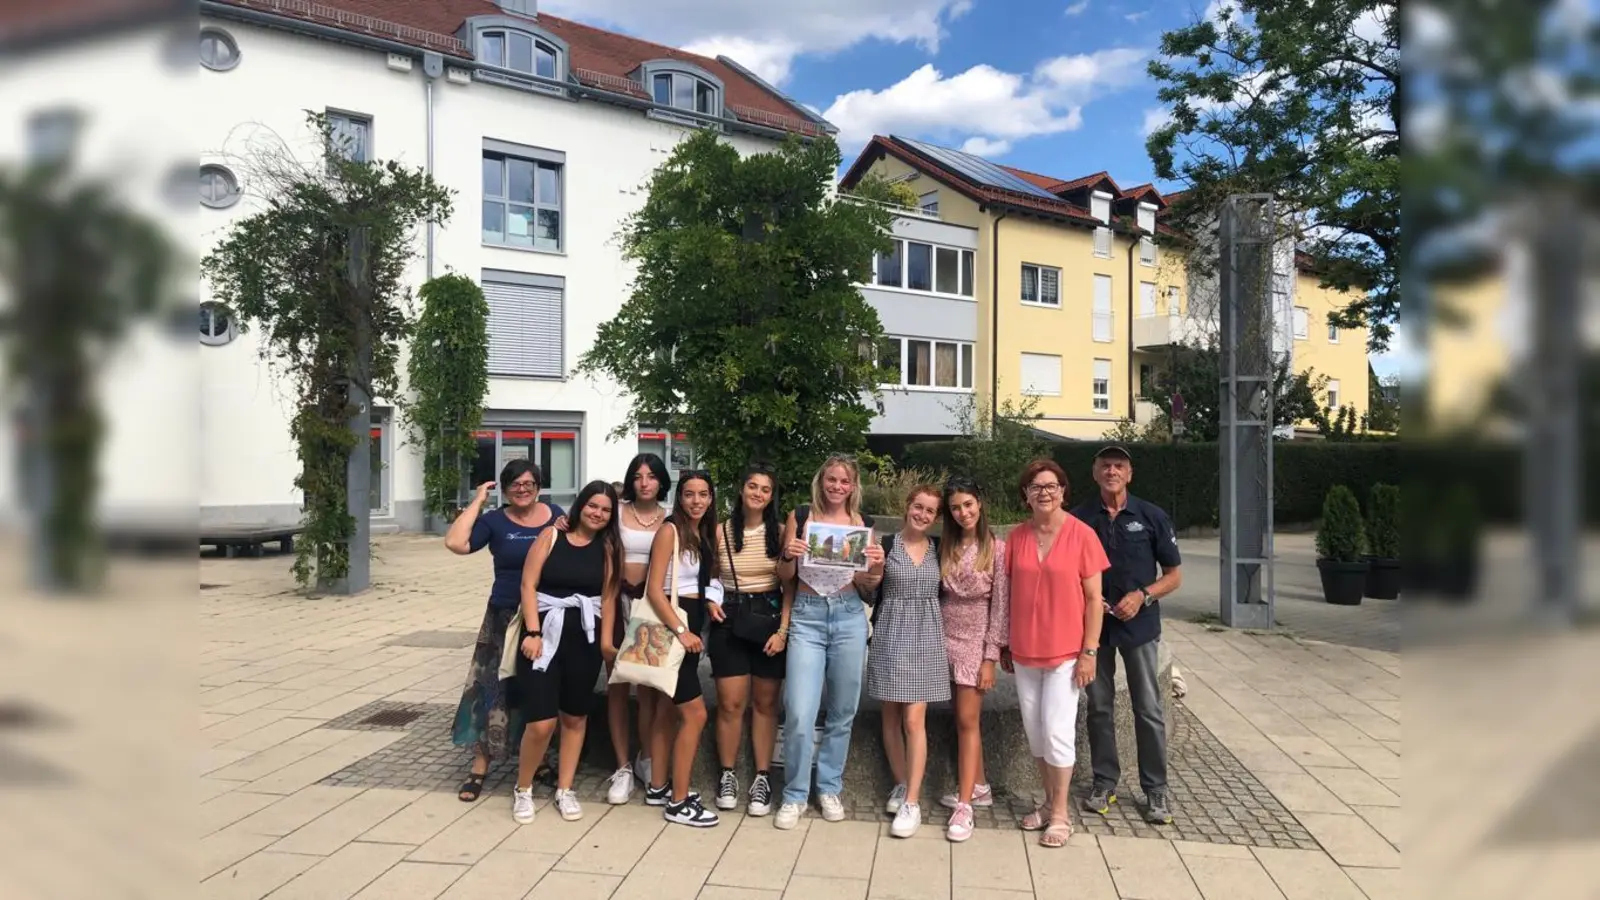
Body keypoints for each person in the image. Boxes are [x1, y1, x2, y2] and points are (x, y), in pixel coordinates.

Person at [1070, 446, 1184, 826]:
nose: (1112, 471)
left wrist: (1143, 595)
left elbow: (1174, 575)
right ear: (1095, 472)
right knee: (1099, 706)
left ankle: (1156, 789)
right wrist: (1089, 598)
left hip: (1140, 627)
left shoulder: (1151, 516)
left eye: (1119, 465)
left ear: (1130, 474)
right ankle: (1105, 781)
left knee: (1148, 709)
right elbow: (1067, 573)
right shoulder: (1079, 519)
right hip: (1095, 627)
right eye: (1105, 465)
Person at [1000, 458, 1109, 848]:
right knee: (1036, 735)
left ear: (1063, 491)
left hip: (1066, 653)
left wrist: (1089, 652)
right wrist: (1005, 643)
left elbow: (1095, 600)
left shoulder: (1083, 535)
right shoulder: (1016, 538)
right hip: (1026, 651)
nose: (1044, 492)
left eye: (1051, 486)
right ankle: (1048, 803)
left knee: (1058, 733)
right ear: (1025, 496)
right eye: (1035, 487)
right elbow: (1006, 594)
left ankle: (1061, 815)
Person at [772, 453, 885, 830]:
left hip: (850, 615)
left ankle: (829, 787)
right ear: (822, 481)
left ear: (853, 487)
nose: (837, 486)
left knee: (842, 710)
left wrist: (877, 564)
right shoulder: (801, 516)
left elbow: (869, 585)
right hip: (806, 614)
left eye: (845, 481)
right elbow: (784, 576)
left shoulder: (863, 525)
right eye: (832, 479)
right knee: (800, 712)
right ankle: (794, 793)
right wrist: (789, 554)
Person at [443, 460, 565, 803]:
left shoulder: (555, 515)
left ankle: (537, 760)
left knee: (534, 688)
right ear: (505, 487)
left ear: (539, 485)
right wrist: (479, 501)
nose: (522, 489)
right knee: (489, 687)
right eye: (515, 484)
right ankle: (480, 764)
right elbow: (456, 543)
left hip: (542, 616)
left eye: (528, 483)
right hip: (503, 615)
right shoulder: (495, 521)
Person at [509, 480, 621, 824]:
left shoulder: (607, 548)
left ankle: (565, 788)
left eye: (605, 509)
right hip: (543, 635)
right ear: (580, 505)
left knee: (575, 717)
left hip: (583, 639)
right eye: (593, 505)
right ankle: (523, 788)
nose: (598, 513)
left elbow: (608, 598)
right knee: (541, 722)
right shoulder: (551, 536)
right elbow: (528, 584)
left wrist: (605, 645)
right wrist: (532, 630)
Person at [864, 485, 948, 839]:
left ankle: (912, 801)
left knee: (914, 719)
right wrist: (875, 571)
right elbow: (868, 590)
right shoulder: (884, 545)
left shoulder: (940, 549)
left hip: (927, 636)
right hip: (890, 631)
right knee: (891, 715)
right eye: (918, 507)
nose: (923, 515)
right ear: (907, 506)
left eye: (930, 511)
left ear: (936, 517)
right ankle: (900, 783)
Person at [708, 463, 791, 817]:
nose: (758, 493)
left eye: (766, 489)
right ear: (741, 489)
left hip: (770, 620)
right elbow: (708, 575)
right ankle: (727, 774)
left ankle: (762, 776)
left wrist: (784, 631)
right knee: (730, 703)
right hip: (729, 619)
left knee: (766, 703)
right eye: (752, 486)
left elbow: (792, 587)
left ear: (772, 496)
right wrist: (712, 600)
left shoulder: (783, 532)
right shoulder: (720, 531)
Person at [642, 471, 724, 827]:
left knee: (665, 708)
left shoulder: (704, 533)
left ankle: (658, 785)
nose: (697, 501)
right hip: (672, 624)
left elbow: (702, 581)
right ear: (679, 497)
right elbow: (654, 590)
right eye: (689, 494)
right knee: (695, 714)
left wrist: (709, 604)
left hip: (691, 617)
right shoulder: (669, 531)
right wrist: (681, 631)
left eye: (703, 494)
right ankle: (678, 801)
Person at [935, 476, 1009, 843]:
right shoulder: (946, 545)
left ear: (980, 503)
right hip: (943, 636)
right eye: (955, 508)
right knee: (960, 718)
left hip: (975, 640)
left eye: (968, 504)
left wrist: (990, 657)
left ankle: (964, 805)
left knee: (967, 720)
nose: (963, 512)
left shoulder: (996, 549)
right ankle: (979, 785)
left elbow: (1001, 608)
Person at [603, 454, 671, 804]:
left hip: (651, 610)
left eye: (652, 476)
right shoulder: (615, 512)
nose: (645, 482)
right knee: (617, 685)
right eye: (638, 476)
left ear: (661, 481)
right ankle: (622, 766)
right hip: (617, 603)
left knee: (647, 690)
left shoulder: (670, 517)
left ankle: (646, 759)